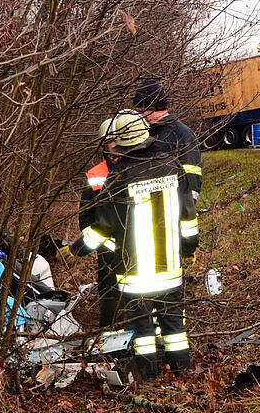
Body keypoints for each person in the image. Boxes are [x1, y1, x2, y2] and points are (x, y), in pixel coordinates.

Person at [58, 110, 198, 379]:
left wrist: (76, 249)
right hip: (170, 267)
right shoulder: (172, 166)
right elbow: (188, 218)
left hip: (136, 274)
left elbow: (103, 227)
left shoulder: (120, 176)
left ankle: (147, 374)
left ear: (121, 143)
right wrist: (189, 249)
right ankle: (182, 371)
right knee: (174, 327)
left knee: (143, 329)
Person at [79, 116, 120, 329]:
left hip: (140, 248)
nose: (115, 146)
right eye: (110, 142)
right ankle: (108, 338)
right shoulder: (96, 175)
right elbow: (85, 218)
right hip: (108, 253)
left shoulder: (142, 167)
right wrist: (101, 244)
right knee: (109, 297)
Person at [132, 79, 202, 202]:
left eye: (139, 112)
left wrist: (187, 208)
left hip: (174, 207)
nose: (137, 116)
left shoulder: (182, 134)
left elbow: (192, 178)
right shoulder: (144, 133)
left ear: (150, 109)